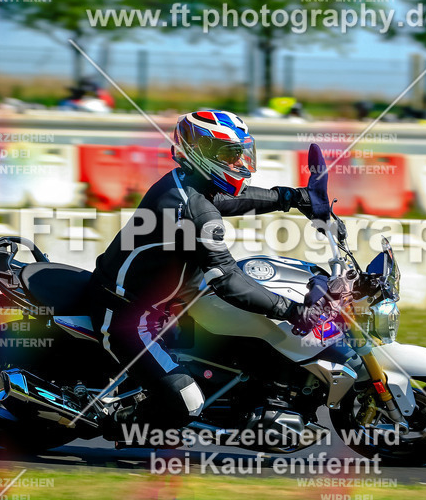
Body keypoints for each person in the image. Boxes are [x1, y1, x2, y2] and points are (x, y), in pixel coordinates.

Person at [88, 110, 326, 431]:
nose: (239, 163)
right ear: (201, 152)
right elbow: (226, 281)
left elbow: (231, 200)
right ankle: (116, 422)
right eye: (230, 154)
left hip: (168, 304)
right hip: (128, 314)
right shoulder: (193, 209)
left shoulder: (187, 184)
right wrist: (293, 311)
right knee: (188, 401)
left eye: (241, 153)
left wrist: (292, 197)